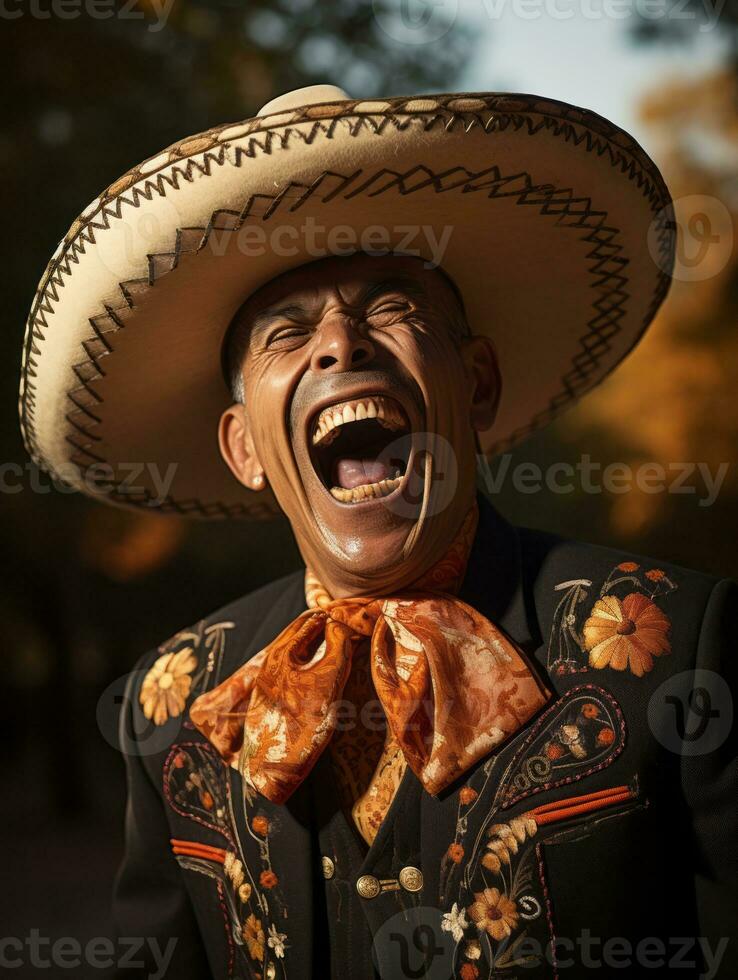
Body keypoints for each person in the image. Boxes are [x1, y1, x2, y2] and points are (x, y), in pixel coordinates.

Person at [20, 85, 736, 979]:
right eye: (288, 332)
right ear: (246, 447)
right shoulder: (171, 707)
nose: (339, 344)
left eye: (390, 308)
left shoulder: (675, 643)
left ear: (476, 385)